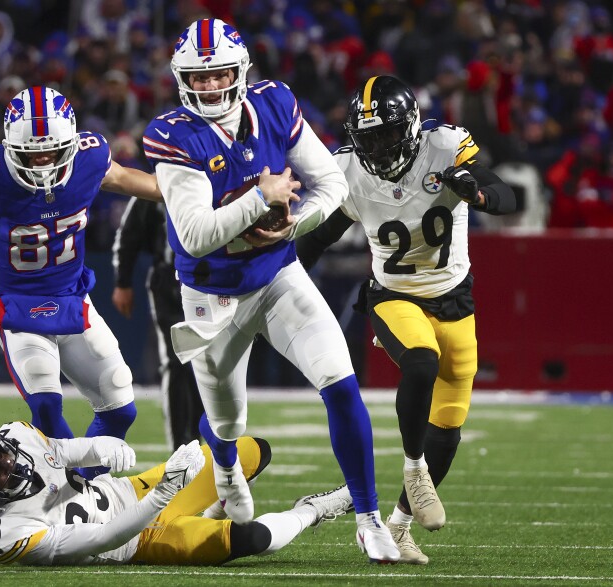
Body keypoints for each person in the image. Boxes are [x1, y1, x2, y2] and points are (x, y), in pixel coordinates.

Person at [141, 18, 399, 563]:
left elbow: (331, 184)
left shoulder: (275, 103)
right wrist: (261, 198)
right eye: (198, 77)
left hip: (279, 277)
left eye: (218, 75)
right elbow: (196, 233)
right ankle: (229, 472)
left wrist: (291, 224)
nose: (209, 87)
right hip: (212, 300)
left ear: (240, 71)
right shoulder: (173, 133)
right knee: (227, 422)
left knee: (340, 382)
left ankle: (370, 517)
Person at [297, 75, 517, 564]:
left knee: (450, 420)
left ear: (413, 127)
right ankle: (413, 467)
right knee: (421, 362)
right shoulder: (350, 172)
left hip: (454, 297)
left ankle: (397, 526)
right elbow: (318, 237)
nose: (376, 147)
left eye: (385, 134)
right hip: (393, 296)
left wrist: (477, 194)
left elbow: (507, 196)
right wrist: (277, 280)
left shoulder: (444, 147)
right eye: (367, 138)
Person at [0, 86, 162, 476]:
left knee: (121, 405)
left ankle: (79, 487)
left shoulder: (90, 158)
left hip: (72, 300)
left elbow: (140, 182)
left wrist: (200, 191)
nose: (43, 160)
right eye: (31, 151)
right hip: (19, 309)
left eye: (50, 149)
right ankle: (72, 496)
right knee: (47, 403)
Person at [0, 420, 354, 566]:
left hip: (131, 490)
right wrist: (167, 489)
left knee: (252, 451)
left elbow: (58, 450)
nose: (11, 464)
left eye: (1, 456)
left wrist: (100, 447)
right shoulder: (8, 535)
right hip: (140, 539)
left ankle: (211, 507)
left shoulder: (15, 436)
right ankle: (315, 510)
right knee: (252, 538)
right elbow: (104, 538)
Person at [111, 197, 204, 449]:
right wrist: (123, 282)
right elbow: (129, 234)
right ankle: (181, 447)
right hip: (170, 282)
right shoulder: (157, 180)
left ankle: (209, 441)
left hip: (215, 281)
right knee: (177, 362)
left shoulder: (218, 170)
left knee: (209, 361)